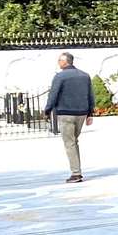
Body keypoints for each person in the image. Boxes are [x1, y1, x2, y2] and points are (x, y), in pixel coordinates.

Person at [43, 53, 93, 183]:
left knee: (69, 143)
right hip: (82, 113)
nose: (58, 62)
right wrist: (90, 113)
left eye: (59, 60)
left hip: (66, 113)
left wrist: (47, 110)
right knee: (74, 141)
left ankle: (76, 173)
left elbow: (53, 94)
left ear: (65, 62)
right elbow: (90, 95)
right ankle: (77, 169)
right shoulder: (84, 75)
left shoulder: (60, 76)